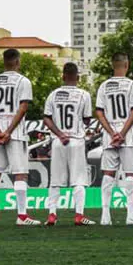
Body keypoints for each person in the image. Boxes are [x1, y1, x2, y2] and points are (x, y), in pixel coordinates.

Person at [0, 49, 40, 226]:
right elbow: (23, 108)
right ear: (17, 62)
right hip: (15, 133)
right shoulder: (23, 81)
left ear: (4, 61)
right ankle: (22, 216)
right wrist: (8, 131)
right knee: (20, 174)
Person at [96, 53, 133, 225]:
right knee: (131, 174)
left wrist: (111, 133)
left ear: (112, 65)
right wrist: (122, 133)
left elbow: (99, 112)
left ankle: (105, 215)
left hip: (109, 137)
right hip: (128, 136)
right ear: (127, 65)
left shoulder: (104, 86)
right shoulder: (132, 85)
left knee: (108, 174)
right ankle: (130, 215)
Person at [43, 63, 95, 226]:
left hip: (58, 141)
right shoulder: (84, 94)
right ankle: (79, 215)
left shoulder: (53, 95)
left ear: (63, 76)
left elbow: (47, 118)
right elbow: (87, 119)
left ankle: (52, 215)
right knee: (79, 180)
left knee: (55, 180)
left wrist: (60, 134)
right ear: (78, 77)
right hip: (76, 140)